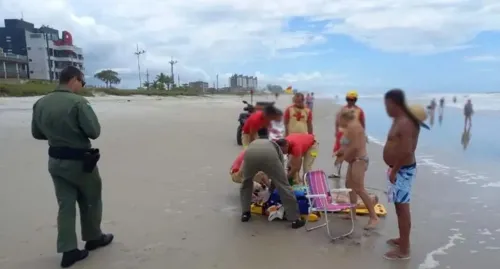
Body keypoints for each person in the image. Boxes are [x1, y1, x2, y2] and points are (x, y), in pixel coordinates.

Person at [31, 66, 113, 268]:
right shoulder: (78, 102)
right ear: (74, 79)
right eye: (82, 83)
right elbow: (94, 131)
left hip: (56, 161)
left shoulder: (40, 103)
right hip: (80, 161)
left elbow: (37, 133)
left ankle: (68, 250)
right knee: (91, 198)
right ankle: (93, 237)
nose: (82, 87)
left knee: (65, 205)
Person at [382, 89, 429, 260]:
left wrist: (394, 170)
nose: (386, 108)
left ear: (395, 103)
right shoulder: (399, 120)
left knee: (402, 209)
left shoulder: (406, 123)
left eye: (387, 105)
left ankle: (404, 250)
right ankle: (402, 239)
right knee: (398, 206)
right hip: (397, 169)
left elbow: (408, 150)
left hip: (402, 171)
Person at [240, 139, 305, 229]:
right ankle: (295, 219)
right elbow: (279, 179)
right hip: (268, 156)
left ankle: (245, 213)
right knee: (284, 186)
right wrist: (271, 189)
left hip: (250, 154)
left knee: (246, 183)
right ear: (281, 147)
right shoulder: (277, 149)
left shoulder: (261, 143)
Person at [337, 109, 379, 229]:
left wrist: (342, 157)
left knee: (359, 189)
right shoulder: (351, 127)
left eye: (339, 119)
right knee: (350, 186)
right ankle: (352, 213)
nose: (339, 122)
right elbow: (349, 144)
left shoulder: (354, 127)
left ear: (344, 118)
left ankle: (373, 217)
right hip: (353, 161)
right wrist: (340, 151)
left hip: (359, 160)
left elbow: (355, 147)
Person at [330, 90, 365, 178]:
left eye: (352, 99)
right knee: (339, 152)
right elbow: (337, 121)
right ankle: (337, 172)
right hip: (342, 133)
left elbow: (362, 123)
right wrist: (336, 131)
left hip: (354, 135)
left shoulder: (359, 110)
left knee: (353, 153)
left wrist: (362, 135)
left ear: (355, 100)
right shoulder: (342, 109)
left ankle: (352, 172)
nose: (350, 101)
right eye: (349, 99)